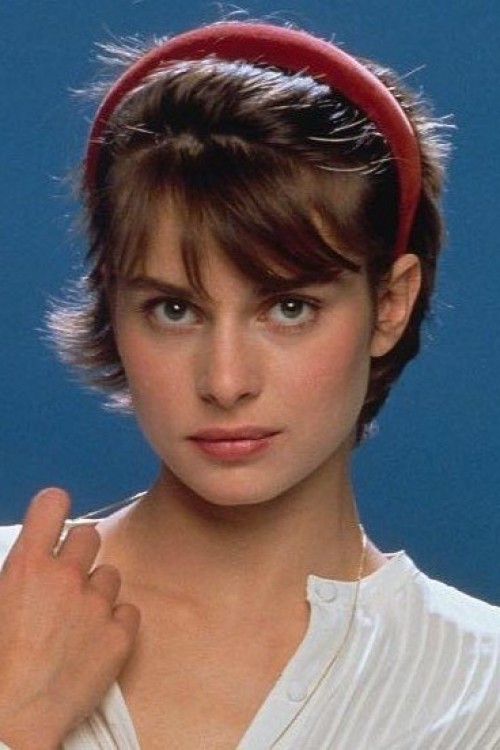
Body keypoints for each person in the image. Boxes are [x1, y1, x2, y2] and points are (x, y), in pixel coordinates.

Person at [0, 19, 499, 750]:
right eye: (174, 310)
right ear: (113, 306)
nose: (226, 382)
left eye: (289, 308)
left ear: (390, 304)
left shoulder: (482, 689)